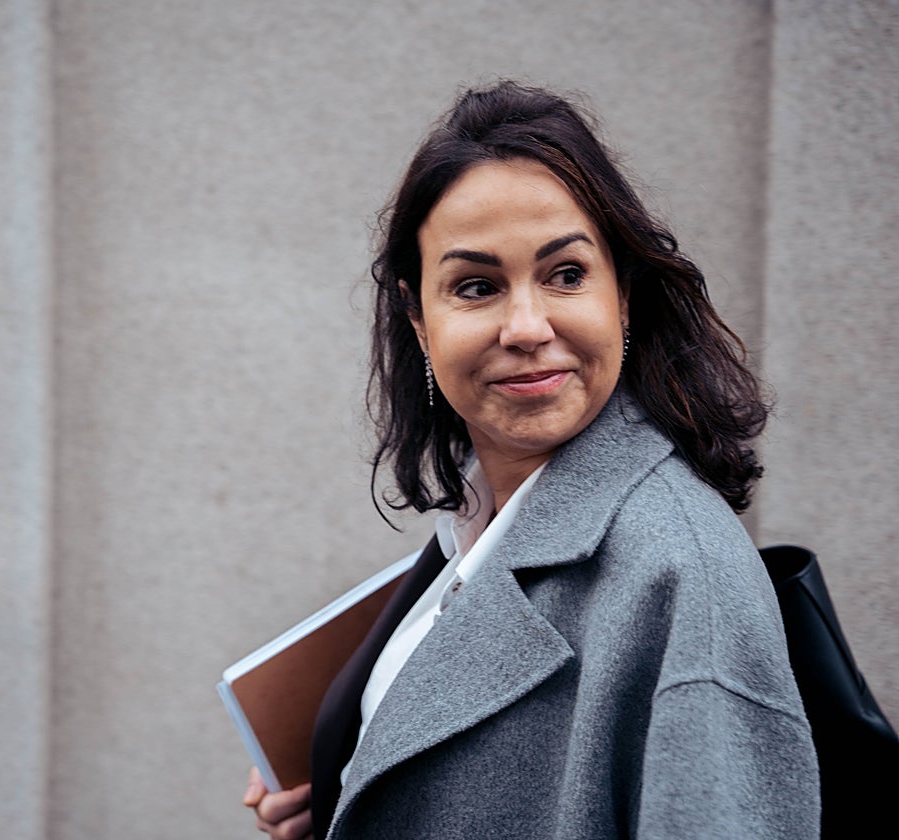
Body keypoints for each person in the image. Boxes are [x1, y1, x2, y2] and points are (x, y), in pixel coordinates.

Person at [243, 81, 820, 839]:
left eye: (566, 274)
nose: (525, 326)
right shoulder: (477, 529)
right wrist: (358, 786)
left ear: (623, 295)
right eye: (476, 286)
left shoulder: (683, 575)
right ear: (420, 321)